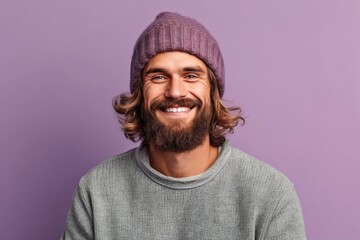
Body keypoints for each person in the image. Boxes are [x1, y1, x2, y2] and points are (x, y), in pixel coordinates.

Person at [61, 12, 306, 240]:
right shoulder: (96, 191)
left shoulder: (271, 194)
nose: (175, 91)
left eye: (191, 75)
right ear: (139, 93)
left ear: (213, 92)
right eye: (158, 76)